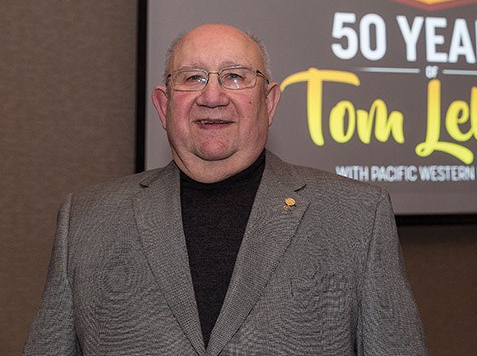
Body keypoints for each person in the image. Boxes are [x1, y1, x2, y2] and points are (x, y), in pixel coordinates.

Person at [23, 23, 427, 355]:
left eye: (235, 76)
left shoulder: (356, 215)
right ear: (164, 107)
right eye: (192, 78)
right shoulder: (86, 220)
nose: (212, 96)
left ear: (269, 103)